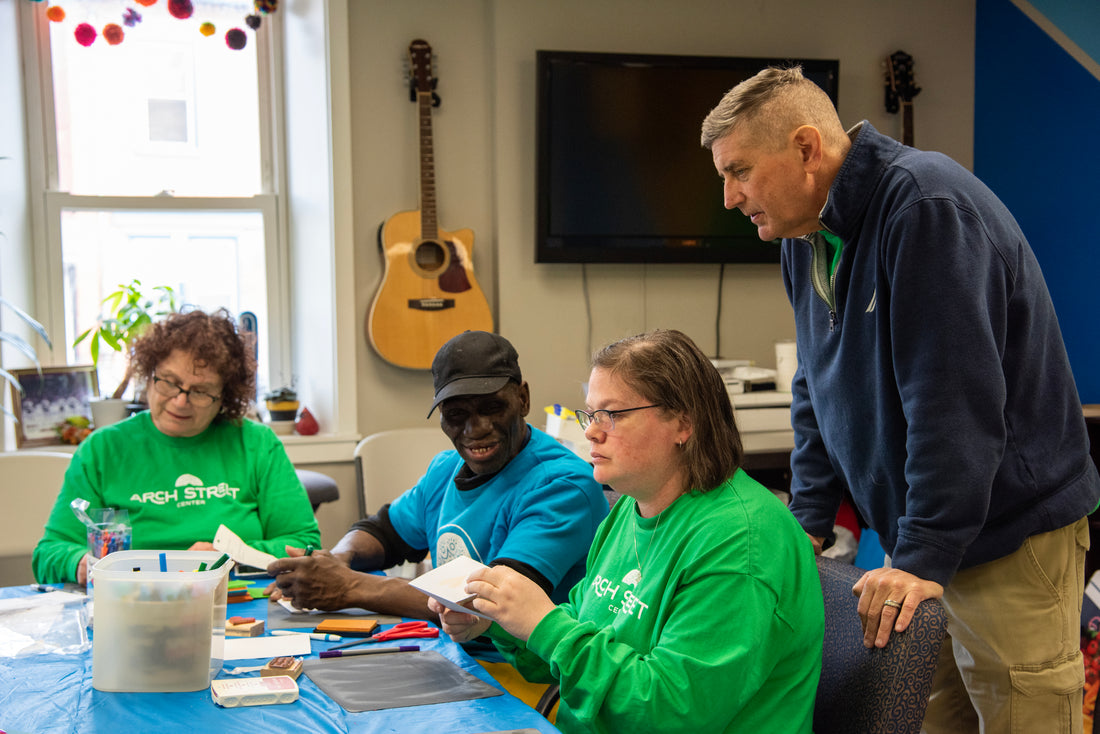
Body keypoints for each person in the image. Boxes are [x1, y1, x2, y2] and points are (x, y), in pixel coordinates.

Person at [701, 65, 1100, 733]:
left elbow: (954, 406)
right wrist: (809, 516)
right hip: (925, 537)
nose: (728, 196)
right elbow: (815, 384)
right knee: (932, 719)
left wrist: (920, 553)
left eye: (739, 170)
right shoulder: (806, 236)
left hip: (1006, 538)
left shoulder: (924, 210)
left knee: (1020, 718)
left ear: (805, 149)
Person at [432, 329, 823, 734]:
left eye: (612, 416)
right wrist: (501, 620)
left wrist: (543, 625)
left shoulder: (742, 541)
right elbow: (576, 642)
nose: (590, 432)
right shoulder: (630, 509)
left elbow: (671, 712)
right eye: (590, 414)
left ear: (683, 423)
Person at [266, 330, 608, 623]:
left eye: (492, 408)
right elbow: (383, 532)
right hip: (457, 655)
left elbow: (492, 604)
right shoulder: (445, 468)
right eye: (457, 415)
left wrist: (349, 586)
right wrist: (338, 559)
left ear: (523, 399)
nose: (476, 429)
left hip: (524, 676)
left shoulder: (562, 486)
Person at [33, 309, 320, 585]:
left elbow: (302, 544)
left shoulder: (257, 444)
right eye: (169, 382)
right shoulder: (102, 450)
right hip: (132, 603)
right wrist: (85, 564)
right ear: (149, 375)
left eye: (200, 391)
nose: (180, 401)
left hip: (236, 601)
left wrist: (230, 558)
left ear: (225, 396)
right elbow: (49, 554)